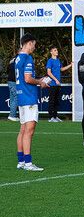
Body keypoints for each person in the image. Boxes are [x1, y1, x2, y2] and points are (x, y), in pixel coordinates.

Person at [15, 34, 49, 171]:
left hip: (21, 97)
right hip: (29, 97)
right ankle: (28, 163)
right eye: (34, 44)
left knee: (23, 130)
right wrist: (40, 82)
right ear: (28, 43)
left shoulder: (18, 58)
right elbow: (28, 79)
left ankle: (21, 161)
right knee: (29, 131)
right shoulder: (27, 58)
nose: (34, 47)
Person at [45, 46, 73, 122]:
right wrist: (55, 80)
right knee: (52, 101)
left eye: (56, 50)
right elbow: (49, 72)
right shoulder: (50, 61)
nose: (57, 51)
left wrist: (70, 65)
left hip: (58, 84)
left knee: (57, 101)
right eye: (55, 50)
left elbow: (61, 69)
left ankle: (55, 116)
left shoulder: (58, 60)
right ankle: (50, 117)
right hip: (53, 84)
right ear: (51, 52)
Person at [7, 48, 20, 121]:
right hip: (14, 81)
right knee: (16, 97)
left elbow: (7, 69)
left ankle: (11, 115)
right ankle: (12, 115)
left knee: (12, 98)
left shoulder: (12, 59)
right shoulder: (19, 59)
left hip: (10, 80)